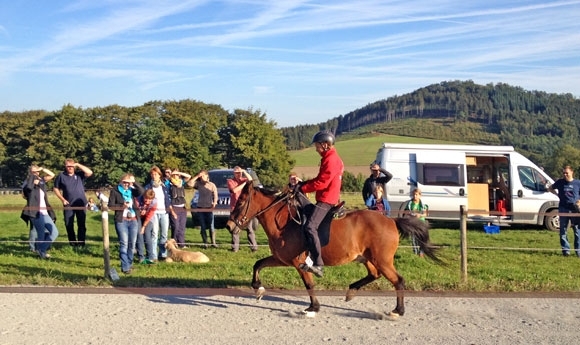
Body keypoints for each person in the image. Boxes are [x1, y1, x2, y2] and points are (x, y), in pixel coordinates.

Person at [293, 131, 344, 278]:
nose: (316, 149)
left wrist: (303, 188)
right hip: (326, 197)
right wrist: (304, 184)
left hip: (327, 199)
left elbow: (322, 183)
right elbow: (319, 178)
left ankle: (318, 264)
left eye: (317, 146)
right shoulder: (329, 157)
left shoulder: (331, 159)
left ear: (325, 145)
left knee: (310, 226)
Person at [108, 173, 144, 274]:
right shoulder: (115, 191)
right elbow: (110, 206)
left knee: (132, 244)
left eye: (128, 183)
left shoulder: (132, 190)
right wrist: (122, 206)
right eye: (124, 182)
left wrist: (134, 182)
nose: (126, 185)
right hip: (122, 220)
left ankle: (129, 264)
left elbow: (141, 191)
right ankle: (125, 267)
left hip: (133, 219)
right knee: (124, 243)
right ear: (120, 182)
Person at [21, 165, 59, 259]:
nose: (36, 173)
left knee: (54, 232)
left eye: (37, 172)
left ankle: (41, 249)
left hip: (45, 212)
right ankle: (42, 253)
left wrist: (42, 169)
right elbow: (27, 190)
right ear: (30, 173)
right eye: (34, 172)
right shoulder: (28, 183)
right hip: (35, 213)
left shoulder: (41, 181)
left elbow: (52, 174)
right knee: (41, 233)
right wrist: (33, 178)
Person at [53, 159, 93, 247]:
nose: (70, 168)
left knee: (81, 224)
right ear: (65, 167)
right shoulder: (61, 176)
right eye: (68, 166)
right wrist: (62, 199)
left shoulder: (79, 174)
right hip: (68, 204)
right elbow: (55, 188)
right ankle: (73, 243)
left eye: (71, 166)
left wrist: (78, 164)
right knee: (68, 224)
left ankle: (81, 244)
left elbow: (90, 172)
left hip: (81, 204)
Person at [547, 165, 580, 257]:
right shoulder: (560, 182)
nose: (565, 174)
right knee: (563, 231)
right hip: (563, 208)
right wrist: (556, 194)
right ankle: (566, 251)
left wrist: (579, 202)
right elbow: (550, 188)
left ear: (572, 172)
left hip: (574, 210)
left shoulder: (577, 183)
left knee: (577, 231)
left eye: (567, 173)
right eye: (563, 173)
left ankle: (578, 251)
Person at [227, 166, 259, 252]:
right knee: (235, 229)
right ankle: (235, 248)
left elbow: (251, 179)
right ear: (233, 173)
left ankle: (254, 247)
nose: (238, 174)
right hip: (235, 208)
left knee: (249, 229)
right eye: (236, 173)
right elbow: (234, 190)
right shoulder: (230, 181)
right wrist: (245, 183)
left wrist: (244, 171)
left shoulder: (245, 179)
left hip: (245, 209)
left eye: (239, 173)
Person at [144, 166, 172, 261]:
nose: (153, 176)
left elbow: (168, 199)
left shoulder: (164, 186)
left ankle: (163, 254)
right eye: (152, 174)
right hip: (153, 213)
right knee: (154, 234)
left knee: (164, 234)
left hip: (164, 212)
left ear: (159, 175)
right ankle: (153, 255)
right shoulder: (148, 187)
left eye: (155, 174)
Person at [189, 169, 218, 248]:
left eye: (203, 175)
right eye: (201, 176)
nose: (202, 177)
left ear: (207, 176)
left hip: (209, 208)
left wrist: (214, 203)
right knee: (203, 226)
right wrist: (197, 176)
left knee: (211, 226)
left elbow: (215, 195)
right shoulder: (198, 184)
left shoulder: (212, 185)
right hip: (200, 208)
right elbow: (189, 184)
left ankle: (213, 242)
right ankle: (205, 242)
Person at [168, 169, 191, 248]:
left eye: (177, 175)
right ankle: (173, 243)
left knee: (182, 227)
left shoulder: (182, 182)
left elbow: (189, 176)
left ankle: (181, 244)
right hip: (174, 207)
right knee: (175, 226)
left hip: (182, 207)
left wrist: (178, 172)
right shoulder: (169, 183)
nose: (175, 176)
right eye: (174, 175)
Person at [403, 188, 428, 257]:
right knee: (413, 238)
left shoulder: (423, 204)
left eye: (416, 194)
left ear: (420, 195)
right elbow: (406, 212)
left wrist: (420, 215)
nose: (415, 196)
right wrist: (410, 214)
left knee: (421, 238)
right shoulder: (410, 204)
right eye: (413, 194)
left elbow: (426, 214)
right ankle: (415, 252)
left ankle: (421, 252)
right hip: (413, 222)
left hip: (421, 222)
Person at [137, 189, 157, 264]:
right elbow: (135, 211)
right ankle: (141, 257)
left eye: (150, 199)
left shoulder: (154, 202)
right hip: (138, 217)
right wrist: (139, 212)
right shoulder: (138, 199)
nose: (147, 201)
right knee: (139, 235)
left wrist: (144, 227)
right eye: (146, 198)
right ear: (143, 196)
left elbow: (150, 215)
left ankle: (150, 257)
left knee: (147, 235)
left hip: (148, 219)